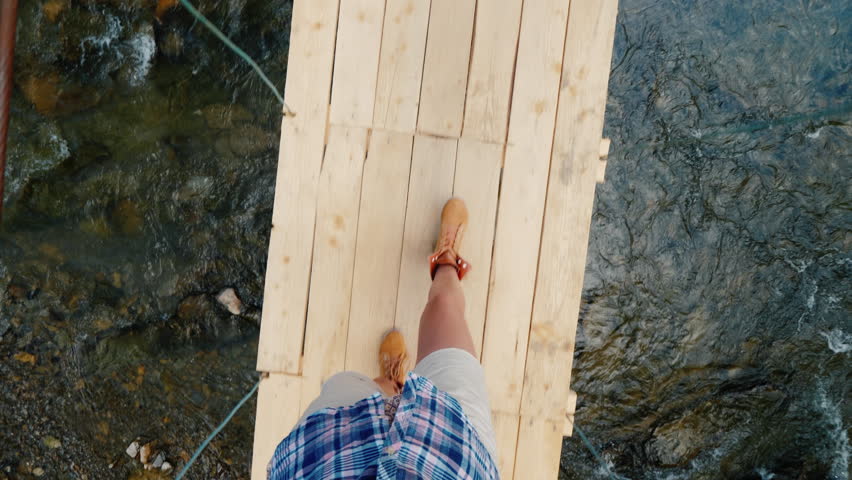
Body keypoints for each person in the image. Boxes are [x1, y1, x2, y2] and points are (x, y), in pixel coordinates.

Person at [267, 198, 499, 479]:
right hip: (454, 456)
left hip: (329, 458)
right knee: (445, 307)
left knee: (358, 389)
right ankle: (446, 261)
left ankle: (390, 384)